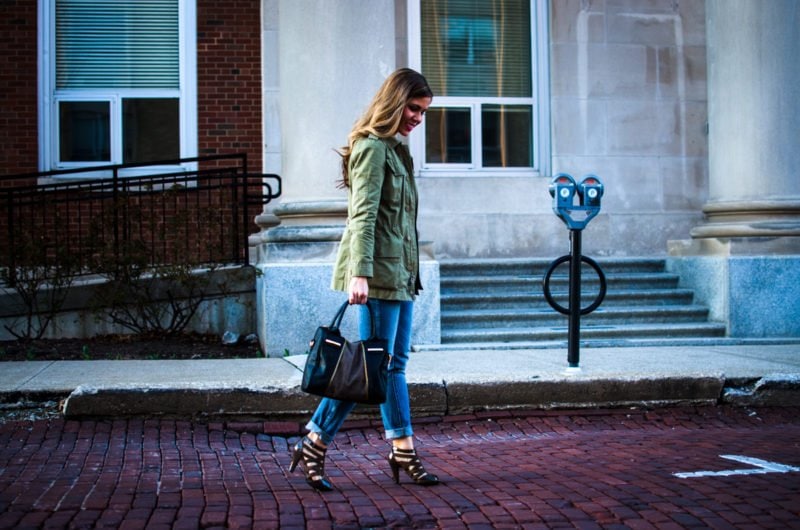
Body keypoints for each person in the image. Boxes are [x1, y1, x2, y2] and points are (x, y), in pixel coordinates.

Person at [289, 68, 438, 491]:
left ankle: (403, 449)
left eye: (423, 112)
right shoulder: (372, 148)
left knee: (391, 366)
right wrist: (359, 273)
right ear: (394, 101)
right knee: (367, 369)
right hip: (377, 275)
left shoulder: (396, 151)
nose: (417, 118)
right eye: (413, 108)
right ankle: (316, 440)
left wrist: (410, 271)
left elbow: (401, 221)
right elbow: (363, 216)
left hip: (402, 273)